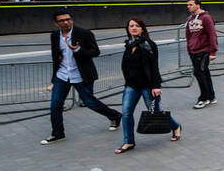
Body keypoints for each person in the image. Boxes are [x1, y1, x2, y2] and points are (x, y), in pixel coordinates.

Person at [41, 11, 121, 144]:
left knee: (89, 102)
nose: (66, 22)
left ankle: (114, 115)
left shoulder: (84, 33)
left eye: (68, 19)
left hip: (81, 75)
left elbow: (95, 52)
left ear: (72, 20)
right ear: (56, 23)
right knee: (55, 105)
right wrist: (53, 79)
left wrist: (78, 50)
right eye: (62, 20)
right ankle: (57, 133)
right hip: (62, 75)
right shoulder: (54, 36)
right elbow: (56, 57)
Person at [116, 17, 182, 152]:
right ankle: (128, 142)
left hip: (147, 85)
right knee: (126, 113)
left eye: (137, 26)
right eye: (131, 26)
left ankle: (175, 126)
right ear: (128, 29)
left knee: (155, 112)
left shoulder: (148, 44)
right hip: (131, 85)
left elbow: (154, 67)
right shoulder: (129, 45)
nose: (134, 28)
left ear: (142, 29)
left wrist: (156, 86)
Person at [185, 0, 218, 108]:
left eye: (190, 4)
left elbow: (212, 34)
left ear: (198, 5)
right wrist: (189, 48)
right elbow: (188, 35)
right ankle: (211, 96)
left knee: (199, 73)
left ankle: (204, 98)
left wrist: (213, 51)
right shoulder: (190, 19)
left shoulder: (206, 18)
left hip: (203, 50)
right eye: (188, 5)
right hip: (193, 51)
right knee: (204, 73)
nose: (188, 6)